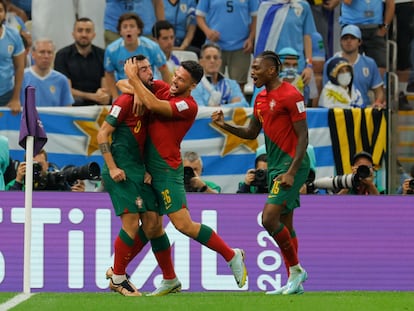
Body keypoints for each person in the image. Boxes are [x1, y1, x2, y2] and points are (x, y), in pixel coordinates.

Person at [122, 57, 247, 292]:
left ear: (192, 86)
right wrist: (136, 89)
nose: (175, 81)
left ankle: (232, 255)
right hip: (149, 171)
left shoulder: (187, 105)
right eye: (176, 75)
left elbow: (154, 105)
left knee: (183, 224)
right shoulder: (163, 88)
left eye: (181, 80)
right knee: (151, 226)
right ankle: (168, 278)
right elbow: (122, 85)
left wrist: (135, 84)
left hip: (167, 172)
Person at [212, 50, 309, 295]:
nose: (252, 72)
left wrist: (291, 172)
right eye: (252, 68)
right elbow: (251, 133)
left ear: (272, 70)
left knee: (268, 219)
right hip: (276, 165)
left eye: (256, 68)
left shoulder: (291, 94)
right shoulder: (260, 98)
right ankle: (293, 281)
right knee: (285, 223)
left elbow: (303, 136)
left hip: (291, 165)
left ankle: (297, 270)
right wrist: (225, 126)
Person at [97, 55, 180, 296]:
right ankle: (119, 278)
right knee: (131, 223)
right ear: (133, 72)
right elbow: (102, 135)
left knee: (154, 224)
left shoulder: (149, 96)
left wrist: (144, 169)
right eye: (142, 69)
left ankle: (170, 279)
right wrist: (112, 168)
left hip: (139, 171)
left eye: (149, 68)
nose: (149, 72)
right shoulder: (125, 100)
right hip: (120, 170)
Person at [104, 12, 171, 101]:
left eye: (132, 26)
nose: (128, 30)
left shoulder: (152, 47)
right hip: (125, 93)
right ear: (120, 31)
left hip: (150, 92)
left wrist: (168, 95)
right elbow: (109, 74)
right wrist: (115, 97)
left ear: (139, 30)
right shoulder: (111, 50)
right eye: (125, 27)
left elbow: (164, 70)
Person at [196, 0, 259, 91]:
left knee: (238, 85)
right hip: (214, 46)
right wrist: (208, 32)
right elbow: (199, 15)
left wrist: (251, 39)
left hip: (241, 46)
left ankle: (236, 104)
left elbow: (255, 17)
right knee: (211, 82)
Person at [254, 0, 317, 87]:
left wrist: (309, 65)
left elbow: (307, 38)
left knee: (296, 99)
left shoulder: (303, 6)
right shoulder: (265, 6)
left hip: (297, 66)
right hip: (273, 68)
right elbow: (260, 40)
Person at [323, 25, 385, 109]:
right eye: (345, 38)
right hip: (337, 110)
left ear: (359, 42)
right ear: (340, 41)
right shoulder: (330, 63)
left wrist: (377, 102)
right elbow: (326, 91)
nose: (348, 41)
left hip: (363, 110)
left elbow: (379, 91)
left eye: (352, 38)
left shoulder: (369, 63)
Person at [54, 17, 110, 106]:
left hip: (97, 103)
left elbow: (105, 86)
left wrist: (103, 95)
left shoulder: (103, 54)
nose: (84, 34)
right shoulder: (62, 55)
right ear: (73, 34)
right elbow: (65, 90)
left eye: (88, 31)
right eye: (80, 30)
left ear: (94, 35)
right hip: (74, 103)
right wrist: (92, 96)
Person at [339, 0, 395, 77]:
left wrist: (385, 27)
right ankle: (351, 87)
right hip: (351, 28)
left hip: (375, 28)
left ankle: (377, 87)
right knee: (350, 65)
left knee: (380, 66)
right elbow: (347, 1)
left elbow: (390, 3)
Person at [191, 43, 249, 107]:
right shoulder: (195, 86)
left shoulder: (232, 84)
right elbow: (199, 111)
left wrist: (217, 107)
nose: (212, 61)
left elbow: (244, 105)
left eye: (215, 58)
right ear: (201, 62)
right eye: (208, 57)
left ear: (220, 62)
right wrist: (232, 105)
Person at [21, 38, 74, 107]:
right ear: (33, 54)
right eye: (42, 52)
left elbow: (68, 108)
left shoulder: (61, 80)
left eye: (49, 52)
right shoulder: (21, 77)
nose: (46, 56)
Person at [6, 149, 86, 192]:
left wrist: (77, 196)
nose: (37, 168)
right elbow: (9, 204)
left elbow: (69, 205)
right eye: (33, 164)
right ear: (25, 165)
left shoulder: (56, 181)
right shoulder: (15, 183)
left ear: (47, 165)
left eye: (40, 165)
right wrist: (18, 180)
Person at [0, 0, 25, 115]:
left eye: (0, 11)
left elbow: (20, 68)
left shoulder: (13, 35)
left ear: (5, 13)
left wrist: (15, 98)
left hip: (6, 94)